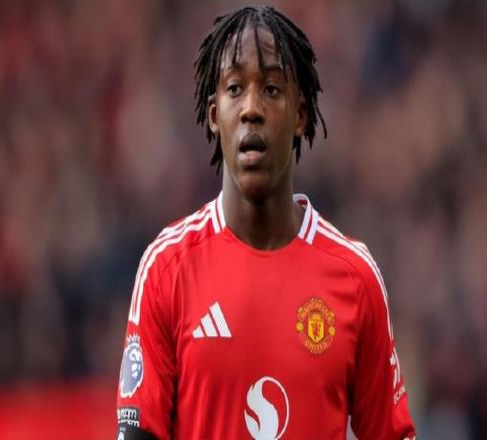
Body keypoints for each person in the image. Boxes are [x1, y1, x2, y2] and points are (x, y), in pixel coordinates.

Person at [117, 5, 416, 439]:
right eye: (235, 88)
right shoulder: (167, 269)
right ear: (213, 114)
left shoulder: (354, 277)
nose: (251, 108)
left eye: (272, 89)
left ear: (300, 115)